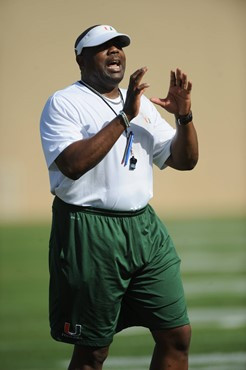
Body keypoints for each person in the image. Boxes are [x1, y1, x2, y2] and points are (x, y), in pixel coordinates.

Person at [40, 24, 198, 370]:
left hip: (144, 228)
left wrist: (184, 117)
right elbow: (72, 164)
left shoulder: (143, 105)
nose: (115, 51)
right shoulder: (64, 103)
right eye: (103, 46)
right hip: (89, 231)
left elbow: (184, 161)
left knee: (177, 335)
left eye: (119, 46)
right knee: (92, 350)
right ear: (81, 59)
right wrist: (125, 115)